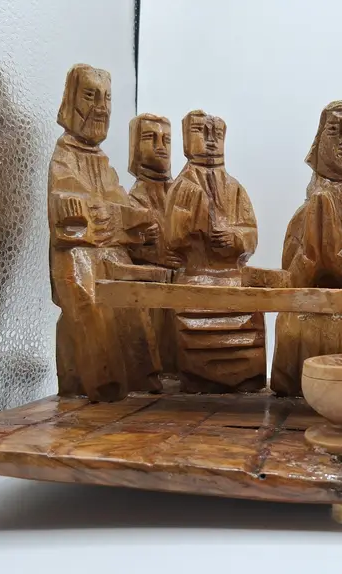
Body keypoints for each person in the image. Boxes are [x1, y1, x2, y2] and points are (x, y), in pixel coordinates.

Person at [48, 64, 165, 401]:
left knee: (133, 295)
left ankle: (141, 376)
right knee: (89, 297)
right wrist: (115, 221)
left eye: (107, 98)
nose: (101, 107)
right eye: (90, 95)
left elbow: (127, 211)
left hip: (109, 252)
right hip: (76, 255)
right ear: (72, 100)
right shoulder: (64, 157)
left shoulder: (102, 162)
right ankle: (105, 383)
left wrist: (131, 223)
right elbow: (71, 218)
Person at [271, 101, 342, 396]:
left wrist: (332, 246)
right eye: (335, 130)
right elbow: (291, 282)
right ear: (319, 141)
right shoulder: (304, 212)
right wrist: (310, 253)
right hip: (302, 314)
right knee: (293, 322)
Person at [165, 110, 264, 393]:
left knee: (246, 326)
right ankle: (199, 379)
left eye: (217, 134)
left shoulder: (235, 189)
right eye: (201, 132)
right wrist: (189, 219)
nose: (210, 141)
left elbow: (251, 233)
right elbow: (172, 238)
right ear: (186, 140)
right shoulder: (181, 187)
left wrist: (235, 237)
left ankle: (245, 378)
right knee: (194, 331)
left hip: (233, 279)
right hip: (195, 278)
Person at [128, 113, 181, 376]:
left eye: (166, 140)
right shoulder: (131, 198)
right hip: (151, 288)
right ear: (136, 146)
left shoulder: (181, 192)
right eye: (151, 138)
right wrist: (145, 245)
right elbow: (124, 244)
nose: (161, 146)